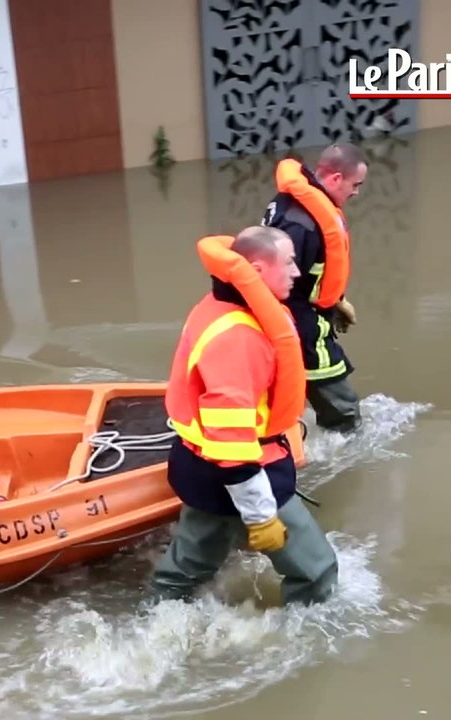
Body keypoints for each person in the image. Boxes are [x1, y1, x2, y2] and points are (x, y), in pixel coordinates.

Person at [147, 227, 338, 606]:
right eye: (288, 263)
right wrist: (261, 515)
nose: (298, 272)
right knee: (317, 571)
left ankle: (156, 612)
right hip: (241, 472)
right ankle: (308, 640)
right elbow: (231, 441)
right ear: (256, 269)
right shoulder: (241, 337)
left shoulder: (216, 307)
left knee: (187, 567)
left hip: (198, 467)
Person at [262, 143, 368, 432]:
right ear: (335, 179)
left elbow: (306, 273)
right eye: (355, 184)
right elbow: (279, 284)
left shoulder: (295, 204)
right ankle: (346, 463)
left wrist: (337, 301)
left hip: (300, 313)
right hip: (299, 321)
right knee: (343, 410)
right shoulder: (303, 225)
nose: (356, 192)